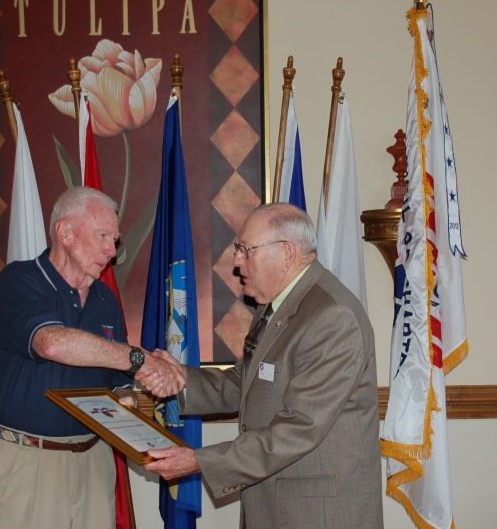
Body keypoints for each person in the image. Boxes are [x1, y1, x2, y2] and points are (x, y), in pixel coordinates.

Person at [141, 203, 384, 529]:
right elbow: (246, 382)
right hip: (272, 506)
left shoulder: (332, 317)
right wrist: (180, 379)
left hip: (318, 515)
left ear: (287, 254)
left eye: (246, 250)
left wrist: (200, 461)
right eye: (238, 249)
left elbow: (299, 428)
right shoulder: (275, 305)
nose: (236, 261)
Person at [0, 186, 185, 529]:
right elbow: (51, 343)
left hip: (93, 458)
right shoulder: (20, 279)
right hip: (26, 460)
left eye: (114, 239)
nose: (112, 250)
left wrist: (125, 396)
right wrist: (144, 360)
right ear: (64, 232)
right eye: (102, 236)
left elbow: (117, 377)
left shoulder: (106, 299)